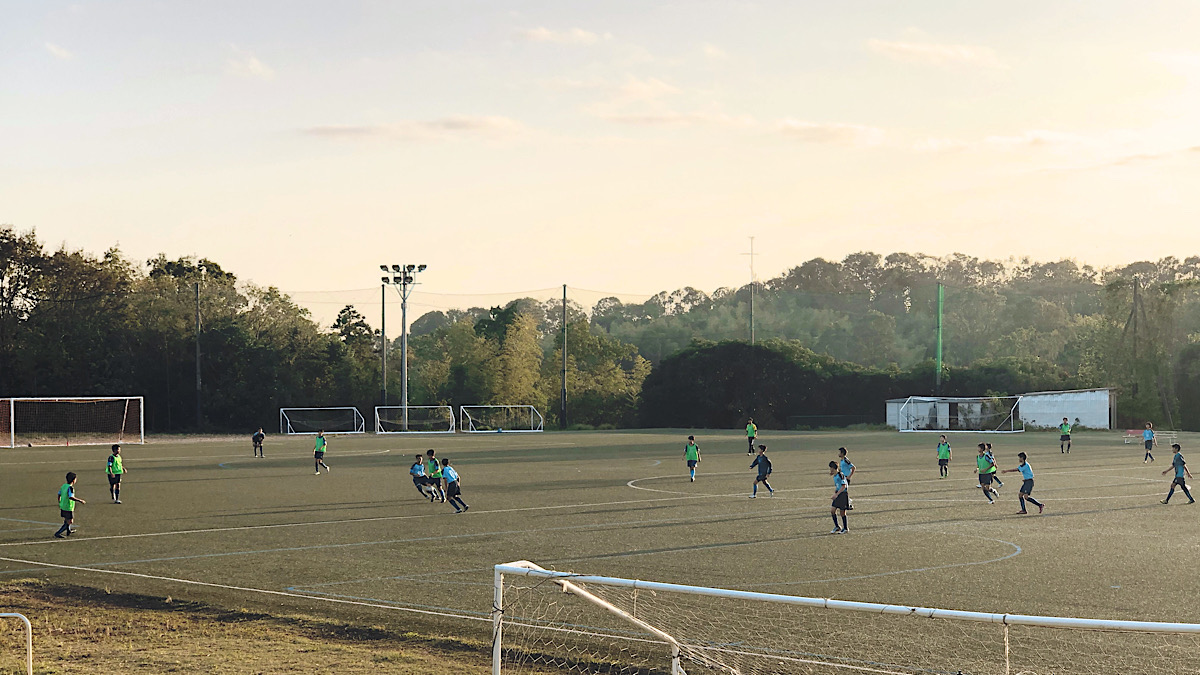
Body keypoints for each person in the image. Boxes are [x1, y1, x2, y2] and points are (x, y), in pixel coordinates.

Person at [54, 472, 85, 538]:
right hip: (68, 507)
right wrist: (80, 500)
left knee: (66, 519)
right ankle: (58, 533)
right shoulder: (70, 488)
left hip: (63, 505)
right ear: (74, 480)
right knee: (70, 521)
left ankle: (68, 531)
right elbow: (71, 497)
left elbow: (59, 493)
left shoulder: (63, 486)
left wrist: (59, 501)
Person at [829, 460, 849, 534]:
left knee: (842, 512)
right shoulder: (835, 476)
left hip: (842, 495)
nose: (830, 469)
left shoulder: (841, 475)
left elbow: (844, 486)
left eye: (830, 468)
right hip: (838, 494)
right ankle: (837, 526)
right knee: (832, 510)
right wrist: (835, 492)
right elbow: (838, 485)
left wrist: (836, 494)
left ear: (833, 468)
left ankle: (845, 528)